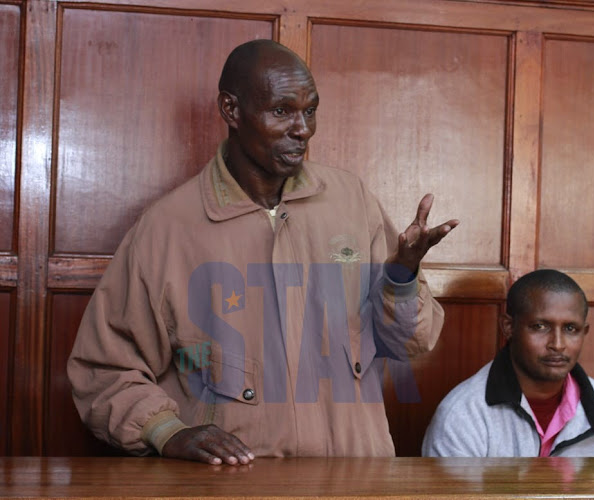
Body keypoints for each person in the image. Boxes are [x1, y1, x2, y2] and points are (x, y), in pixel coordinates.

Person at [67, 39, 458, 465]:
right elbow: (104, 371)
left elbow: (409, 343)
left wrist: (401, 278)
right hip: (230, 488)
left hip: (353, 482)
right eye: (281, 111)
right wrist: (167, 432)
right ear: (231, 110)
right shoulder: (166, 228)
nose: (303, 129)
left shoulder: (353, 201)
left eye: (310, 110)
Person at [422, 269, 594, 457]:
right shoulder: (463, 415)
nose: (557, 344)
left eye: (570, 329)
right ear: (508, 327)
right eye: (540, 326)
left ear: (585, 332)